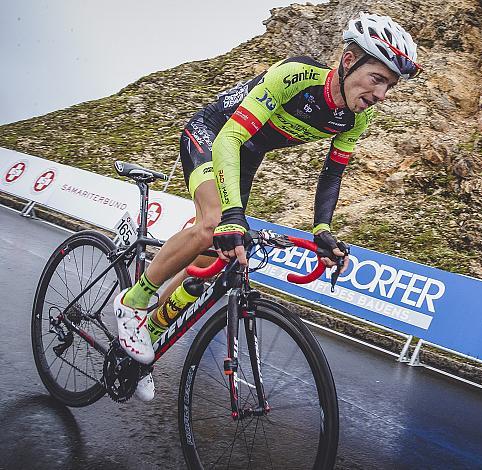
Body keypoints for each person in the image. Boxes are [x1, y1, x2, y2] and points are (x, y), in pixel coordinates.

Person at [113, 12, 421, 401]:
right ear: (348, 61)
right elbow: (229, 139)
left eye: (389, 86)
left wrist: (322, 230)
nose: (381, 95)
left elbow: (331, 176)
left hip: (246, 155)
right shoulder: (295, 76)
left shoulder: (357, 118)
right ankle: (133, 302)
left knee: (219, 257)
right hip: (215, 134)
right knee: (213, 225)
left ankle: (147, 345)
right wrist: (231, 214)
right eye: (377, 79)